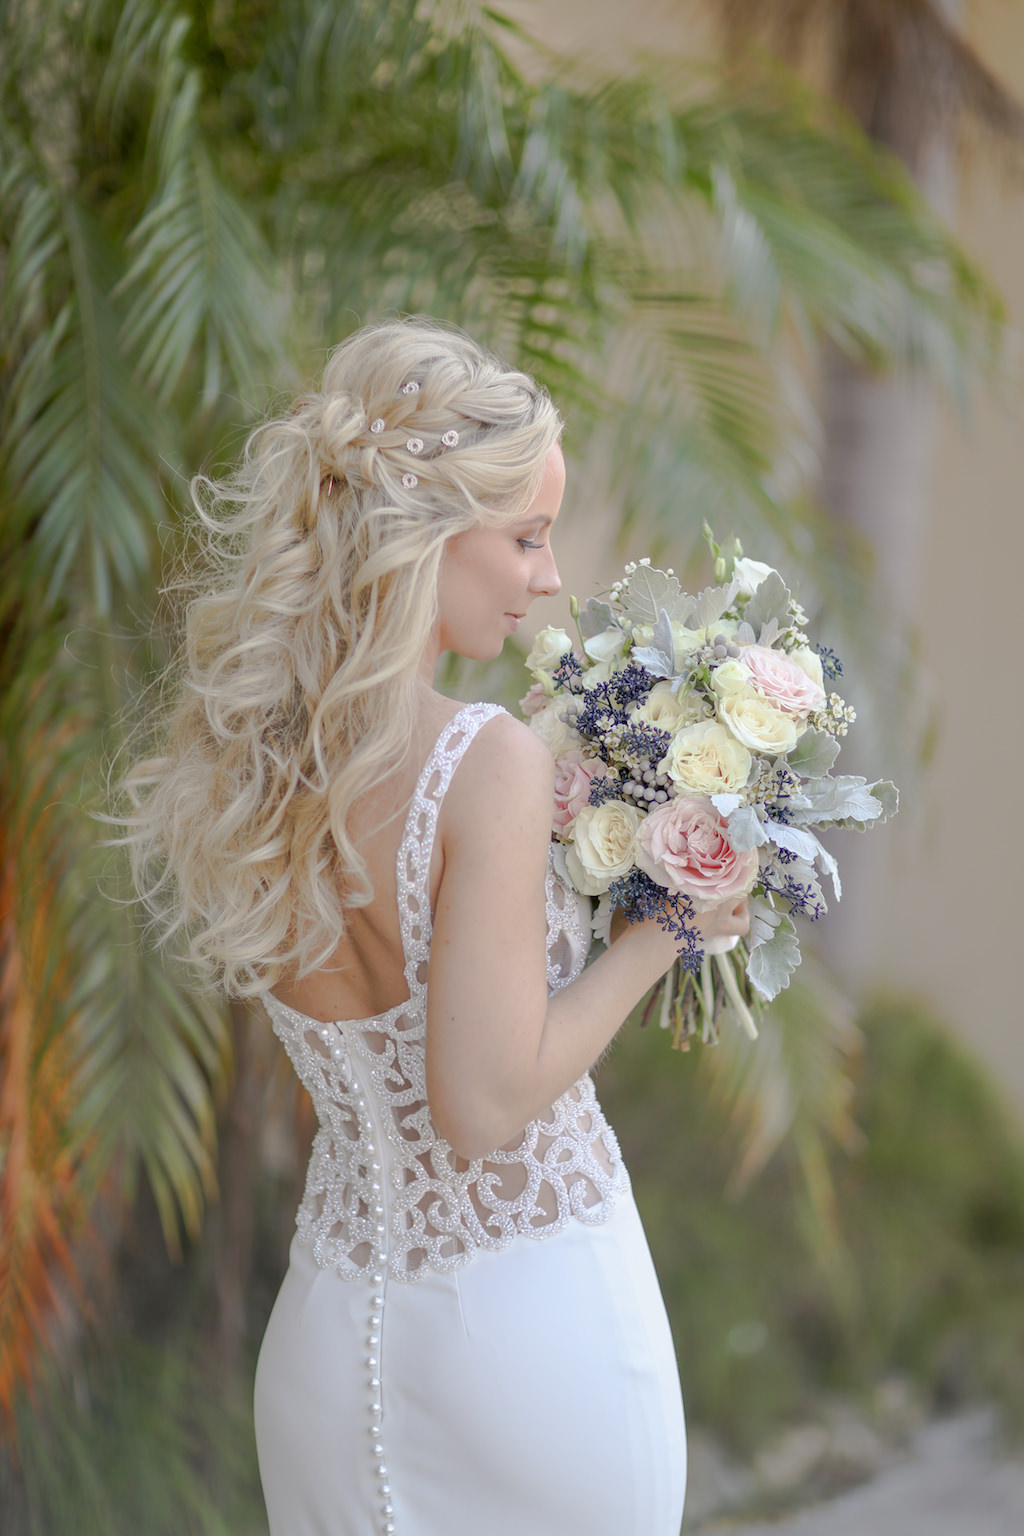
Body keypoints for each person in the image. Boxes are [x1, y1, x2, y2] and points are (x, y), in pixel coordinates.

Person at [122, 317, 749, 1536]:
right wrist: (664, 925)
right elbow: (483, 1102)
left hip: (324, 1343)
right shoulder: (484, 758)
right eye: (524, 535)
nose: (550, 576)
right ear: (423, 533)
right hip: (527, 1346)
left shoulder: (258, 765)